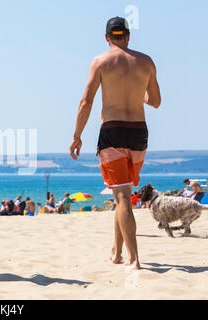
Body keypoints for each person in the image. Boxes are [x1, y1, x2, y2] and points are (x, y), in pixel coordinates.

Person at [69, 17, 161, 270]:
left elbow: (86, 102)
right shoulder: (146, 61)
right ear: (128, 36)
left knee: (121, 198)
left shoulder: (100, 61)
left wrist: (77, 136)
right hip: (139, 132)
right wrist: (136, 91)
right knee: (122, 196)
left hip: (113, 131)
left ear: (107, 38)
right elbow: (155, 101)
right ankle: (117, 252)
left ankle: (134, 259)